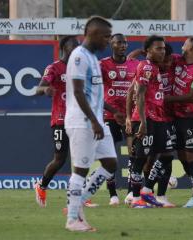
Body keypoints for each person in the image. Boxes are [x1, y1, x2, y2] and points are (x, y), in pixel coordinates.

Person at [64, 16, 124, 232]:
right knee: (80, 170)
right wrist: (92, 120)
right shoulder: (79, 57)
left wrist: (113, 112)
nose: (108, 41)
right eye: (106, 37)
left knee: (110, 164)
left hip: (97, 121)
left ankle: (77, 203)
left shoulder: (93, 58)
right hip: (83, 122)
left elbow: (94, 94)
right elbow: (79, 92)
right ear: (93, 34)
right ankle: (73, 219)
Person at [125, 35, 174, 208]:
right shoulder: (146, 66)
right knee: (140, 158)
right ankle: (136, 198)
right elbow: (139, 94)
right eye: (158, 48)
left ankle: (146, 191)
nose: (162, 51)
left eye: (163, 48)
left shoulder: (153, 67)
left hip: (158, 118)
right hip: (148, 119)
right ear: (148, 51)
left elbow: (133, 90)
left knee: (167, 154)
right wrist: (142, 121)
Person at [34, 36, 79, 208]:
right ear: (64, 49)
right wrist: (45, 89)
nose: (76, 50)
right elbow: (38, 88)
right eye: (73, 47)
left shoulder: (80, 68)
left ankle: (79, 195)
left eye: (78, 46)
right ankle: (42, 185)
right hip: (60, 119)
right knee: (59, 160)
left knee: (80, 159)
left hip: (78, 120)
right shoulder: (54, 68)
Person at [165, 36, 193, 208]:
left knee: (192, 155)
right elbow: (161, 57)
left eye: (185, 44)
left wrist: (167, 99)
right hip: (177, 117)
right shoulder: (177, 60)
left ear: (190, 48)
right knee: (182, 155)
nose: (181, 46)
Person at [100, 33, 140, 205]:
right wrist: (113, 110)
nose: (122, 45)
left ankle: (132, 191)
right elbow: (94, 93)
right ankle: (112, 194)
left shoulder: (135, 65)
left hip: (130, 116)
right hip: (109, 115)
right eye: (118, 43)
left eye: (124, 43)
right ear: (111, 44)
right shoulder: (102, 65)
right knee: (109, 155)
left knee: (134, 152)